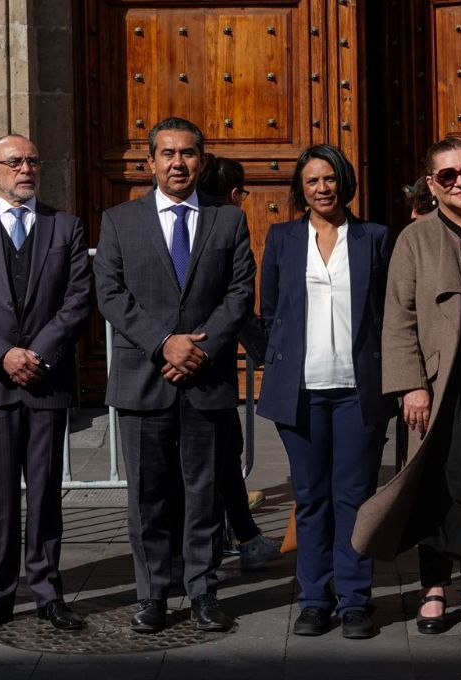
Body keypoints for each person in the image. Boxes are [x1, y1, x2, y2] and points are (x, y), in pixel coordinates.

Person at [352, 137, 461, 635]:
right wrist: (411, 386)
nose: (460, 182)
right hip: (435, 379)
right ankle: (433, 586)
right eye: (447, 176)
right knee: (433, 478)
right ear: (431, 184)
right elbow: (398, 318)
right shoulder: (416, 239)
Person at [94, 117, 256, 634]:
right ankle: (152, 594)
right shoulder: (119, 221)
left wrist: (197, 349)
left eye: (188, 154)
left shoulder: (227, 221)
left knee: (204, 493)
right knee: (149, 496)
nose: (178, 163)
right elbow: (111, 294)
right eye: (167, 154)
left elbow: (238, 293)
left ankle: (204, 590)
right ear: (151, 162)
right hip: (145, 380)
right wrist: (165, 342)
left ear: (202, 161)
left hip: (205, 381)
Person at [0, 134, 92, 634]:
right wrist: (3, 355)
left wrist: (38, 353)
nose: (24, 168)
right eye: (13, 162)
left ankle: (48, 592)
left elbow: (77, 300)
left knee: (46, 492)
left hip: (46, 381)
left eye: (31, 160)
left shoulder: (65, 227)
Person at [258, 144, 392, 639]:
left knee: (354, 497)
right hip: (301, 392)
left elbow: (387, 311)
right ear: (301, 189)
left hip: (359, 391)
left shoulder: (375, 237)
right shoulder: (282, 238)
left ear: (345, 183)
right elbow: (269, 310)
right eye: (313, 180)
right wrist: (278, 362)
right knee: (311, 498)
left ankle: (355, 599)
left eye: (331, 178)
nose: (323, 188)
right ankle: (314, 598)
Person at [197, 154, 283, 571]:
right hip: (211, 366)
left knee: (223, 453)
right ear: (234, 194)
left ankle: (239, 536)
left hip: (176, 358)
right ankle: (233, 540)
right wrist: (269, 351)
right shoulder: (228, 225)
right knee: (221, 454)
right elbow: (238, 302)